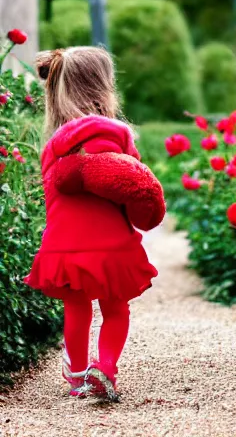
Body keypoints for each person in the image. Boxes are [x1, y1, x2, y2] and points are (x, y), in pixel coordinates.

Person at [24, 46, 166, 401]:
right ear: (105, 87)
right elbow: (134, 188)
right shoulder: (121, 140)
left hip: (65, 247)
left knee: (76, 308)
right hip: (114, 247)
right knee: (116, 309)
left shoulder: (53, 147)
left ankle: (76, 376)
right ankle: (105, 368)